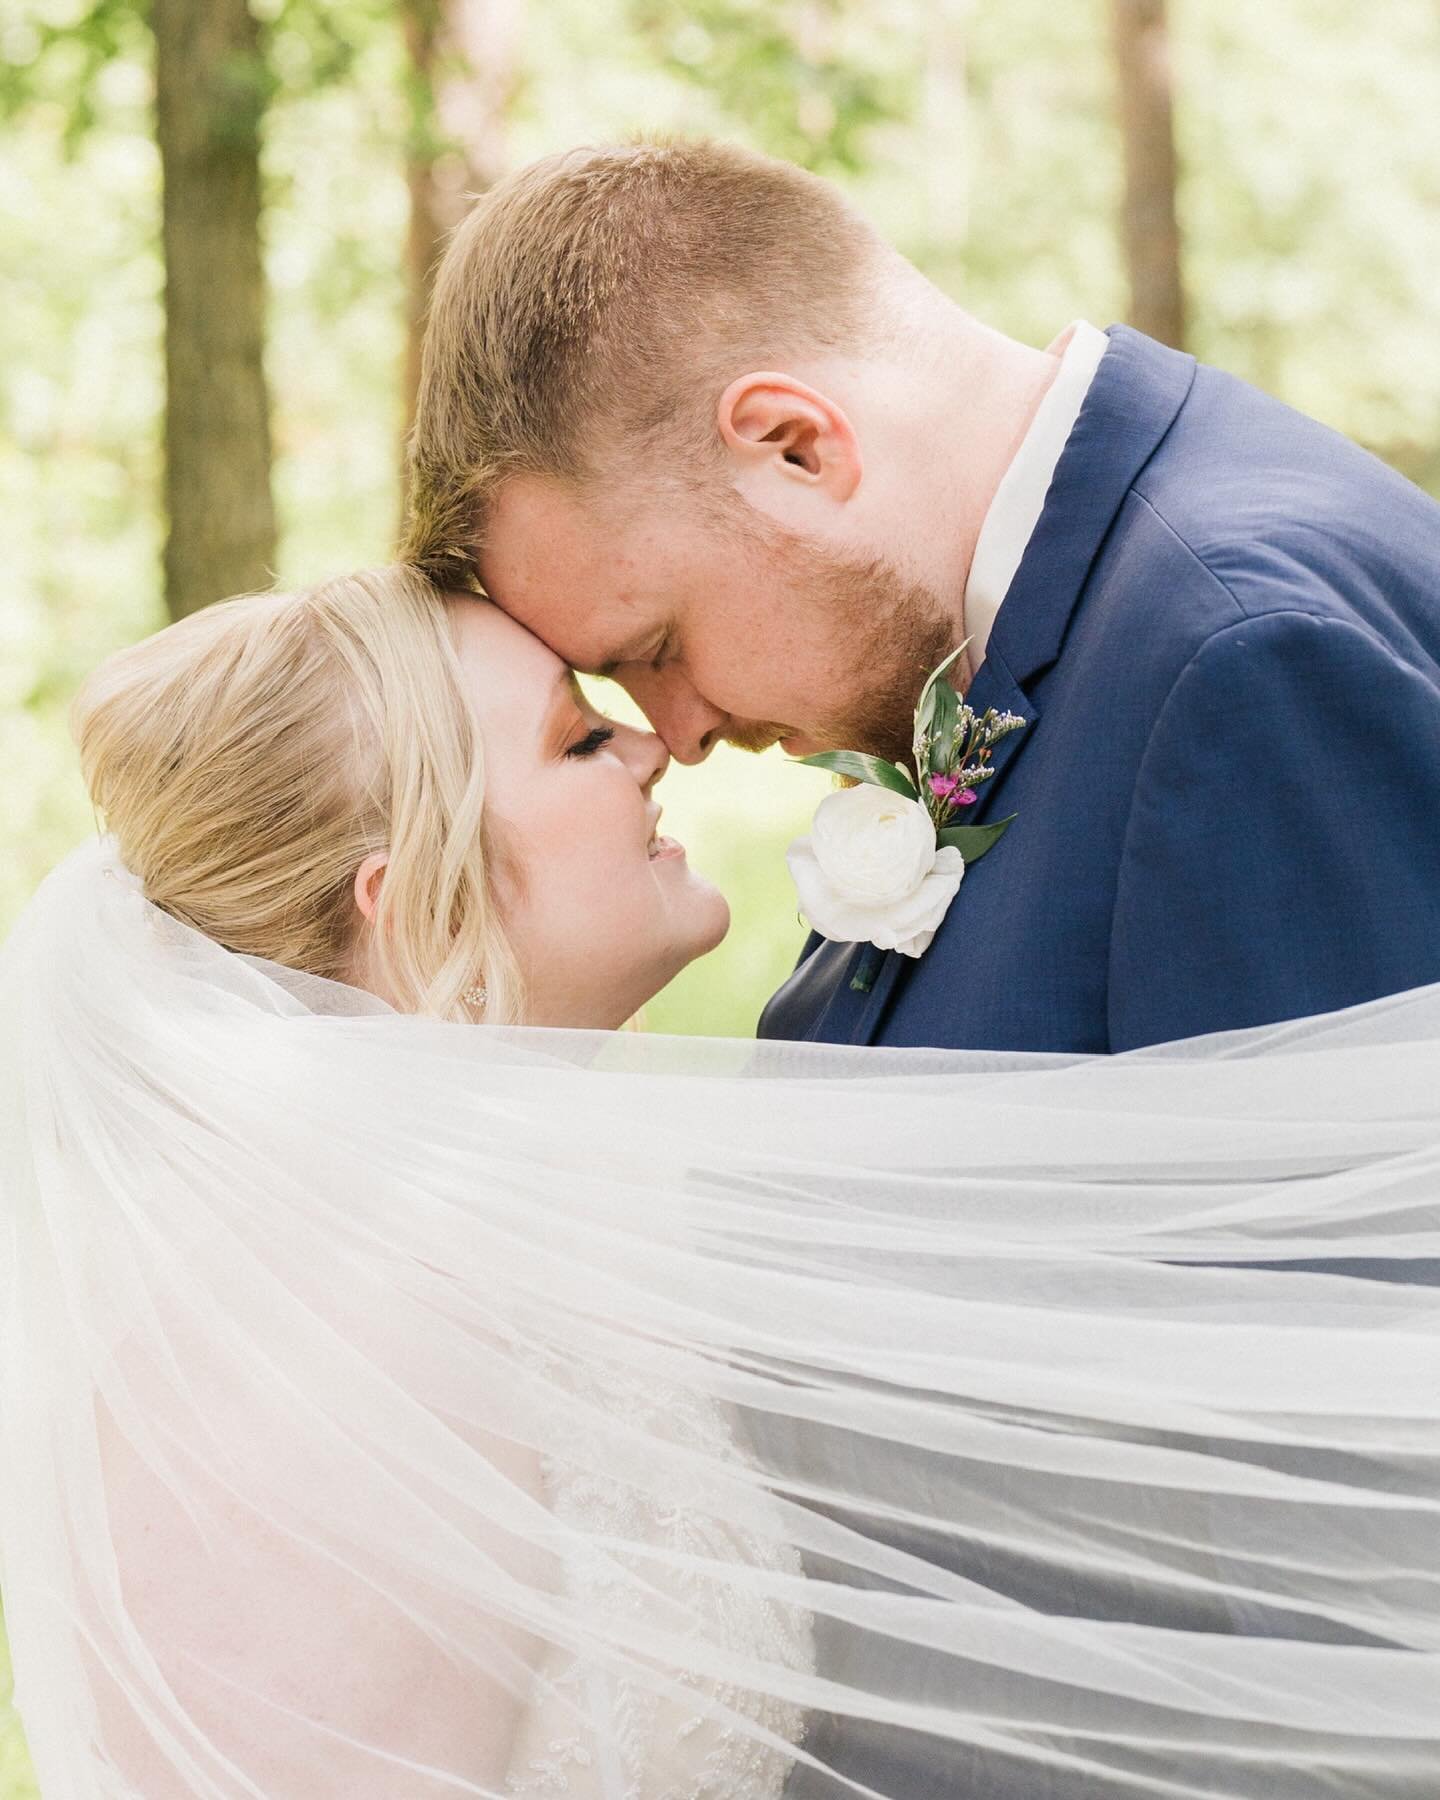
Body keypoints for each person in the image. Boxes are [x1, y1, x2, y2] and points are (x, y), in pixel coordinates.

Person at [2, 562, 1437, 1798]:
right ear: (412, 895)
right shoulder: (312, 1366)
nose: (651, 753)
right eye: (576, 743)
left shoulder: (526, 1249)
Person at [401, 137, 1440, 1056]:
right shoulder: (1023, 636)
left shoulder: (1238, 662)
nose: (676, 737)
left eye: (657, 645)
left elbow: (1339, 1271)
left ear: (793, 446)